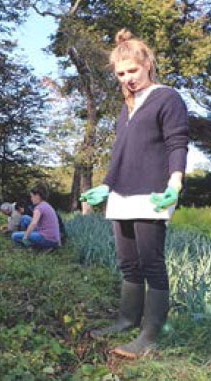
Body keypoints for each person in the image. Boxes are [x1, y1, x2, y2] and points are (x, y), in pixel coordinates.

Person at [80, 29, 189, 359]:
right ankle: (127, 318)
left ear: (147, 65)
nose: (127, 78)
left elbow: (177, 143)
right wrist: (106, 184)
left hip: (151, 194)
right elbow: (120, 154)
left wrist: (175, 184)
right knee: (128, 263)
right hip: (121, 195)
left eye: (133, 71)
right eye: (121, 73)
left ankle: (150, 334)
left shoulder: (167, 97)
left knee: (150, 262)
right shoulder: (126, 109)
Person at [11, 185, 61, 249]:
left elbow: (33, 223)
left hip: (47, 238)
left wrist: (25, 237)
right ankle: (26, 234)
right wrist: (59, 243)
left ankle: (30, 246)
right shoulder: (46, 205)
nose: (31, 199)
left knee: (14, 235)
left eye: (32, 196)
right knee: (25, 218)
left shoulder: (38, 208)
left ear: (37, 196)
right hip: (53, 238)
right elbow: (56, 225)